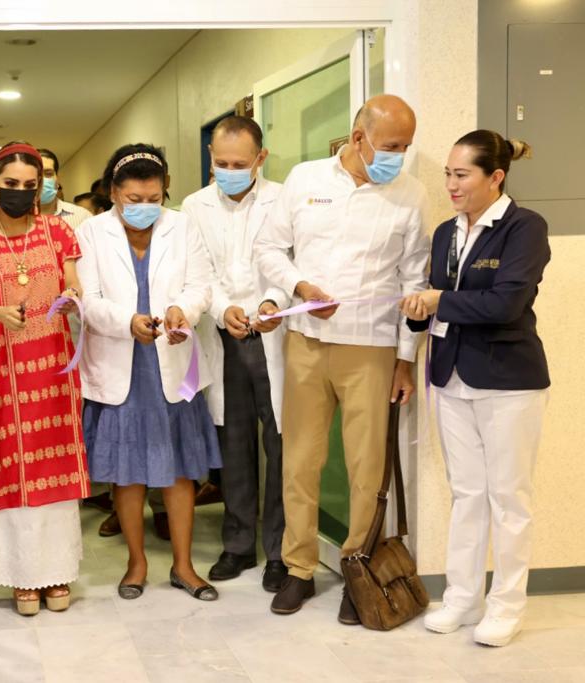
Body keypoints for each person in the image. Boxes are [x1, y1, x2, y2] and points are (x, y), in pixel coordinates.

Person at [253, 94, 430, 623]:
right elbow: (268, 249)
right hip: (306, 342)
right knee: (299, 460)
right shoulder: (305, 180)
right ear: (358, 138)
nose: (398, 156)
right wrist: (299, 286)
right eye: (391, 145)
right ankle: (299, 567)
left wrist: (405, 358)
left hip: (371, 347)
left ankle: (358, 569)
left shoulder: (411, 194)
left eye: (405, 146)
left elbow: (414, 280)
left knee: (366, 467)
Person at [401, 131, 549, 647]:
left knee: (509, 497)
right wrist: (418, 310)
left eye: (462, 175)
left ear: (496, 177)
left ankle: (507, 606)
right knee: (466, 493)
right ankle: (463, 597)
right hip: (451, 377)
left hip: (508, 381)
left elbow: (507, 303)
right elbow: (438, 299)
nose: (451, 184)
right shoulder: (446, 232)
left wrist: (438, 300)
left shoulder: (525, 228)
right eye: (448, 173)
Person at [78, 143, 221, 602]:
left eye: (154, 198)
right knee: (128, 473)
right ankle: (136, 563)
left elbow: (200, 285)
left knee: (180, 470)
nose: (145, 207)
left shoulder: (183, 226)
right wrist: (127, 321)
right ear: (113, 193)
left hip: (171, 362)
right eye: (133, 199)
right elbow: (87, 300)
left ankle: (184, 566)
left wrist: (183, 311)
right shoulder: (91, 232)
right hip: (120, 362)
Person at [0, 141, 89, 616]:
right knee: (10, 466)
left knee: (53, 465)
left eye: (30, 185)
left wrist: (73, 299)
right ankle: (21, 577)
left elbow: (74, 285)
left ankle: (57, 572)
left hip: (53, 368)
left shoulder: (59, 231)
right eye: (11, 184)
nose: (20, 192)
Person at [181, 115, 289, 591]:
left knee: (280, 446)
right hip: (224, 334)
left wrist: (273, 302)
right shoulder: (194, 206)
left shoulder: (284, 199)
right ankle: (239, 544)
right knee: (234, 443)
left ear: (260, 158)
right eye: (220, 163)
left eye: (238, 164)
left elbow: (289, 260)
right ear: (210, 157)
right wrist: (224, 310)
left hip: (273, 334)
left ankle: (281, 551)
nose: (228, 171)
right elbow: (198, 272)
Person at [38, 148, 93, 230]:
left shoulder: (82, 217)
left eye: (48, 174)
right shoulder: (18, 218)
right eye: (37, 174)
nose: (42, 180)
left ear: (58, 178)